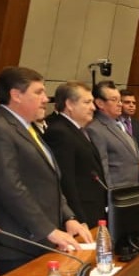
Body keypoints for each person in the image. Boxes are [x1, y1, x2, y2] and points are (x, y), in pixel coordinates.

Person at [0, 66, 94, 273]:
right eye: (38, 92)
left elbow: (49, 181)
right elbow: (10, 188)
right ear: (16, 95)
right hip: (19, 242)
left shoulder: (27, 128)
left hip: (41, 237)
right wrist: (48, 230)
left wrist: (68, 217)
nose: (46, 99)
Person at [43, 81, 108, 228]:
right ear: (70, 105)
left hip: (93, 210)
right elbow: (66, 181)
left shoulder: (77, 130)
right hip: (80, 216)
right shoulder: (60, 132)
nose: (93, 107)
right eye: (87, 102)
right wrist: (77, 218)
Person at [88, 81, 139, 187]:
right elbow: (103, 170)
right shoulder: (95, 129)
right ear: (100, 103)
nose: (120, 104)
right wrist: (111, 196)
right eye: (114, 100)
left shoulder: (118, 124)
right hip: (117, 195)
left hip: (132, 189)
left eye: (119, 100)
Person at [119, 89, 139, 180]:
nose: (131, 105)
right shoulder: (112, 125)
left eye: (134, 103)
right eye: (127, 102)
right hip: (121, 175)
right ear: (119, 104)